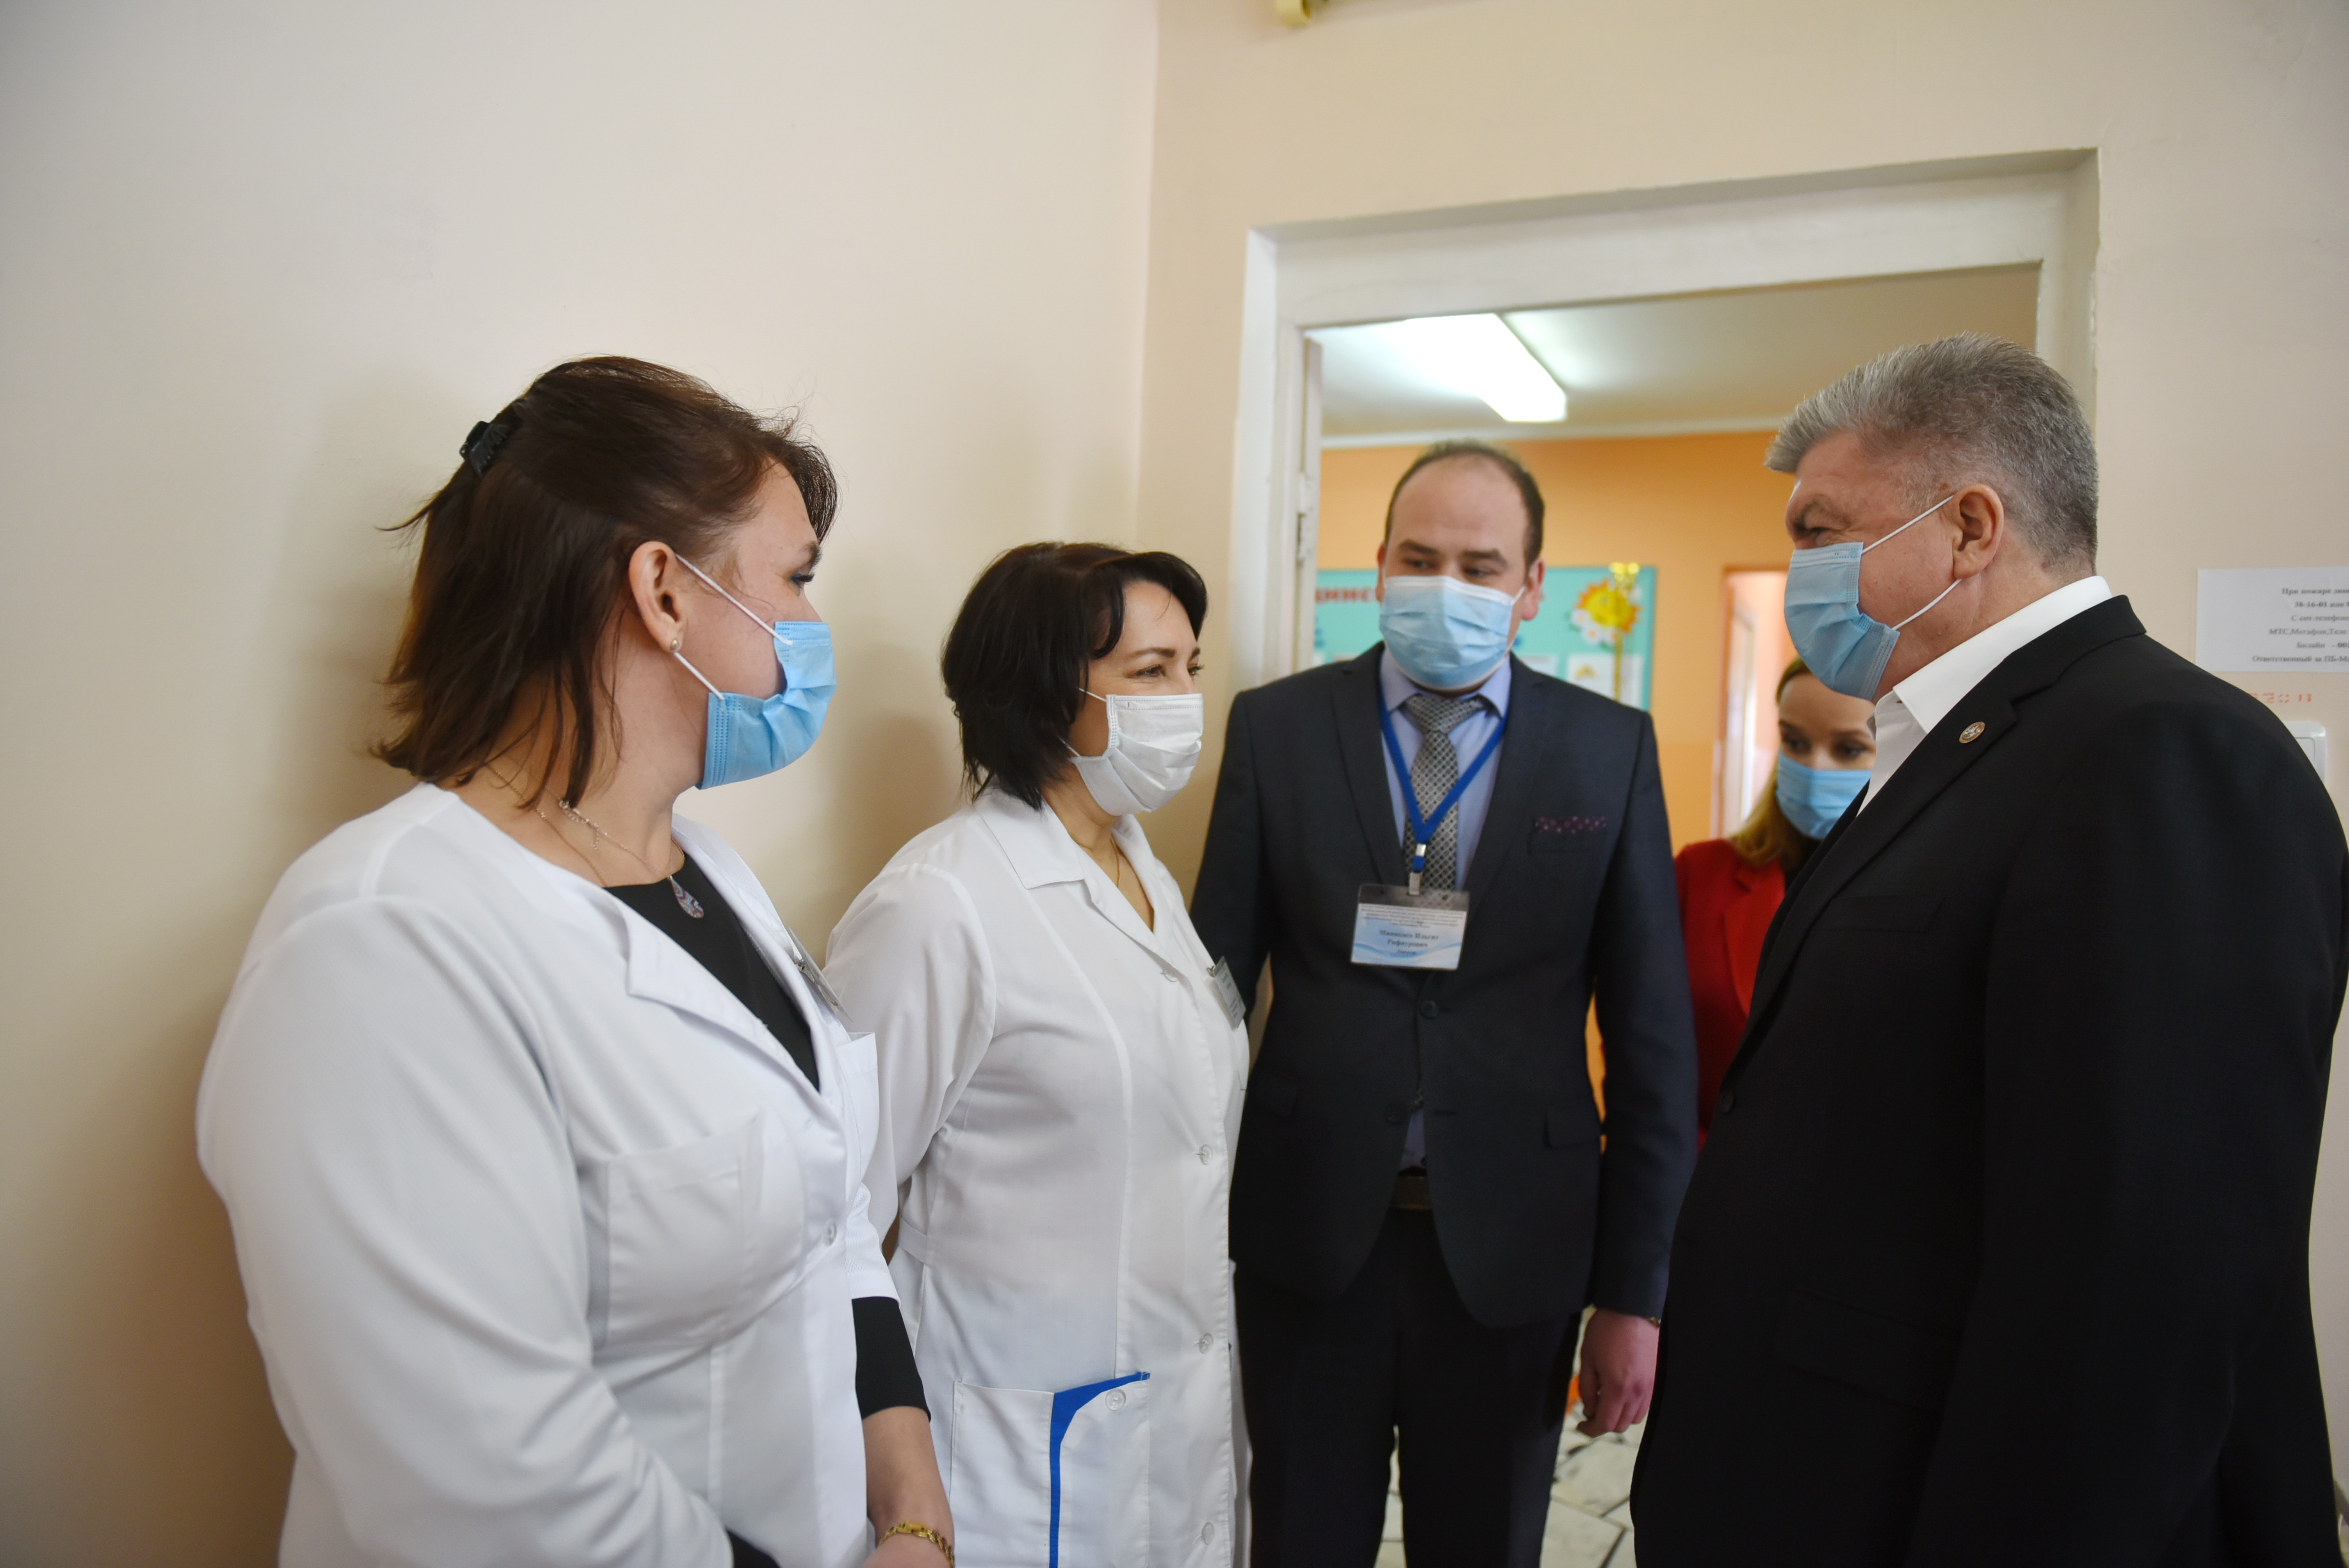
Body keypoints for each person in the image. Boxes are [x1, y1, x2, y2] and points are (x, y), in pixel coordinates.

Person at [196, 358, 952, 1568]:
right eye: (796, 578)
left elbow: (834, 1219)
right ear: (663, 591)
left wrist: (911, 1506)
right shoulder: (381, 946)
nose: (813, 628)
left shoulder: (711, 876)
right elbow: (489, 1490)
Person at [1631, 335, 2348, 1564]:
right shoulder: (1957, 752)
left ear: (1969, 527)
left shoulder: (2161, 753)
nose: (1802, 571)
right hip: (1809, 1474)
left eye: (1821, 530)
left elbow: (2139, 1296)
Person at [1191, 441, 1699, 1567]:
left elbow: (1653, 1043)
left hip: (1514, 1251)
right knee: (1298, 1539)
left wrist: (1637, 1294)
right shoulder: (1277, 729)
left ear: (1532, 585)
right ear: (1378, 563)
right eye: (1420, 560)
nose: (1446, 587)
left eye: (1480, 566)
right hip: (1307, 1236)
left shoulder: (1606, 749)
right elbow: (1208, 995)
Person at [825, 543, 1246, 1566]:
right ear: (1045, 692)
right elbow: (835, 1215)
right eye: (1149, 672)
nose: (1185, 700)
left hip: (1174, 1418)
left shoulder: (1142, 869)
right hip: (1017, 1454)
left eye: (1189, 667)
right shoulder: (938, 905)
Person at [1672, 657, 1875, 1137]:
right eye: (1795, 742)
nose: (1814, 767)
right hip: (1708, 1165)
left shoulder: (1930, 889)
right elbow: (1649, 1044)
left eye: (1849, 749)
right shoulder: (1700, 872)